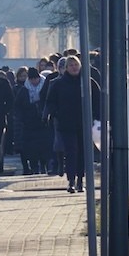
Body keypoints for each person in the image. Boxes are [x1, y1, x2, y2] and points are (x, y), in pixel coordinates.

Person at [44, 55, 100, 193]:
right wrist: (54, 114)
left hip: (84, 123)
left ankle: (80, 179)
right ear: (66, 68)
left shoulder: (88, 82)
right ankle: (71, 180)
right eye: (71, 65)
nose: (74, 68)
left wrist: (96, 116)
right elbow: (50, 101)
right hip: (66, 124)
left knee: (82, 152)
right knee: (71, 151)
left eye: (76, 65)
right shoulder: (58, 84)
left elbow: (98, 101)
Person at [13, 68, 49, 175]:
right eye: (32, 79)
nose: (34, 81)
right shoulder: (24, 90)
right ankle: (34, 167)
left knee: (43, 146)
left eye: (36, 78)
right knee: (32, 148)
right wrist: (22, 118)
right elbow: (17, 106)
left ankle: (43, 165)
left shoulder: (45, 87)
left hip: (43, 123)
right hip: (29, 124)